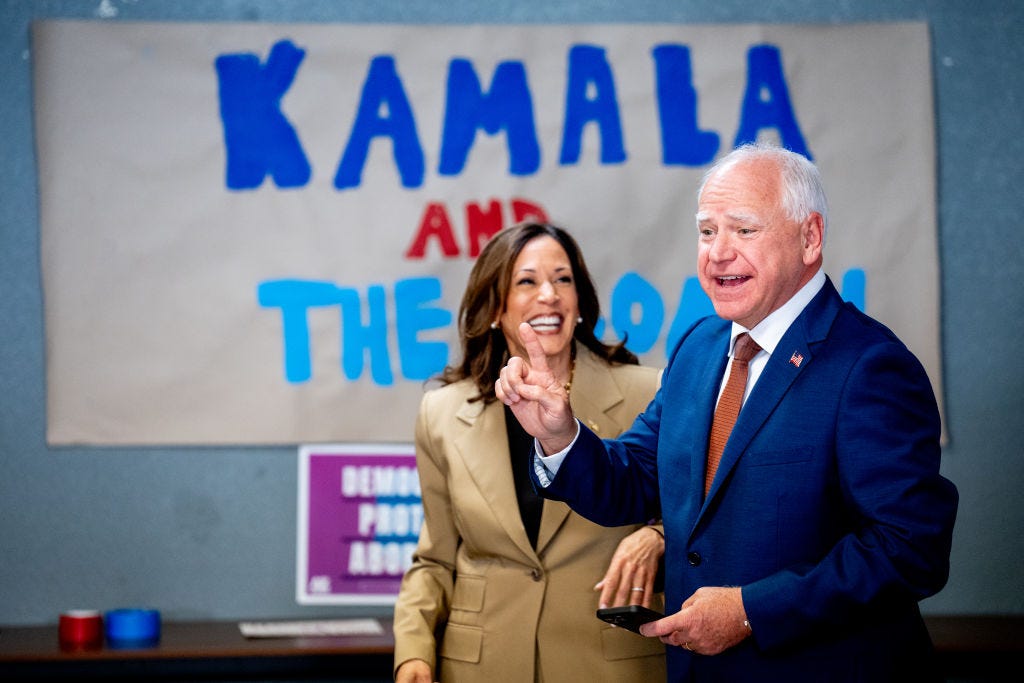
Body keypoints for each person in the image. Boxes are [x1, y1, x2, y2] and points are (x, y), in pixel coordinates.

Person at [496, 143, 959, 682]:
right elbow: (640, 478)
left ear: (810, 237)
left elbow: (910, 549)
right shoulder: (700, 346)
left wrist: (749, 612)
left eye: (743, 230)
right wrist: (560, 435)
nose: (717, 253)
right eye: (707, 231)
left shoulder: (871, 366)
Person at [392, 222, 668, 683]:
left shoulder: (648, 392)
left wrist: (658, 536)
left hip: (607, 665)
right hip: (481, 667)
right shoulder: (440, 414)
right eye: (527, 281)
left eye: (563, 279)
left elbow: (705, 519)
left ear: (580, 302)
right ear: (494, 308)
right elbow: (435, 560)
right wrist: (413, 654)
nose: (549, 295)